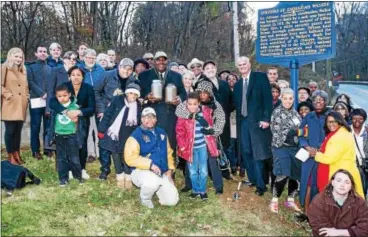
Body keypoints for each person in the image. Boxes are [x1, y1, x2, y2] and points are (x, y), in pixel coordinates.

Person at [232, 56, 273, 196]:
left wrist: (266, 118)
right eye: (240, 65)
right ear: (237, 67)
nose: (242, 66)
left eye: (244, 63)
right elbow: (234, 105)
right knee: (246, 151)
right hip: (243, 122)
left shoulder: (260, 77)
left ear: (249, 64)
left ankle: (261, 186)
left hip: (258, 122)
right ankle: (253, 179)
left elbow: (268, 99)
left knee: (258, 153)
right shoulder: (237, 85)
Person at [176, 80, 226, 194]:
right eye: (200, 92)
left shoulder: (215, 105)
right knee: (190, 160)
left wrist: (214, 131)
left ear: (210, 93)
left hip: (209, 139)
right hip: (192, 137)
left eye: (205, 92)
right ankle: (189, 185)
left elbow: (221, 119)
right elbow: (178, 111)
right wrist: (191, 115)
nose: (203, 95)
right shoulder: (193, 102)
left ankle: (218, 186)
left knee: (213, 162)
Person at [124, 107, 179, 209]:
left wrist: (170, 171)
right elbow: (130, 158)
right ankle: (145, 198)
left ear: (156, 119)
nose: (149, 120)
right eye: (146, 117)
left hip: (161, 172)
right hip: (141, 171)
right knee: (152, 182)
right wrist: (150, 165)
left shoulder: (162, 132)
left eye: (152, 117)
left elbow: (169, 153)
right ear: (141, 119)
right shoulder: (135, 136)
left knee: (172, 201)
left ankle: (158, 187)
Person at [48, 66, 95, 180]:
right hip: (64, 121)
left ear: (83, 76)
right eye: (73, 74)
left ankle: (82, 169)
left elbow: (92, 108)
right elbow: (52, 102)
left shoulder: (88, 88)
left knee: (81, 144)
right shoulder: (65, 86)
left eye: (78, 74)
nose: (76, 77)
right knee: (66, 146)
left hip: (82, 121)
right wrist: (67, 112)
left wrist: (78, 112)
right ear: (69, 76)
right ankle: (68, 170)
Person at [138, 51, 186, 160]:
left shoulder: (176, 76)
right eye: (158, 59)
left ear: (167, 61)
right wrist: (146, 97)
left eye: (164, 59)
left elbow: (183, 92)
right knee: (151, 141)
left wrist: (179, 99)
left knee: (170, 142)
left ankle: (170, 170)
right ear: (154, 61)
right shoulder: (144, 75)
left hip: (170, 114)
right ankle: (152, 167)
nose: (161, 62)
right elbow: (139, 95)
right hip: (151, 114)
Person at [95, 58, 136, 180]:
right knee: (104, 142)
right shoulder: (107, 75)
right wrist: (101, 109)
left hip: (122, 115)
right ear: (119, 67)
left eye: (129, 69)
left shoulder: (132, 80)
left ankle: (123, 166)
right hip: (106, 113)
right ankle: (105, 168)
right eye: (124, 68)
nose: (126, 71)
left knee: (120, 141)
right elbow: (96, 91)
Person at [97, 83, 141, 190]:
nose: (133, 96)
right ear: (126, 93)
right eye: (131, 93)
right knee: (115, 154)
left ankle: (128, 176)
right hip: (114, 133)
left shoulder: (138, 105)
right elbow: (108, 114)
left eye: (135, 95)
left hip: (128, 134)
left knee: (126, 155)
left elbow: (139, 122)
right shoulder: (117, 100)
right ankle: (120, 176)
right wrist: (101, 129)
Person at [314, 111, 364, 197]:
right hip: (344, 172)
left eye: (334, 121)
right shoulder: (341, 133)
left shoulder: (339, 136)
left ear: (340, 121)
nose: (331, 124)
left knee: (343, 203)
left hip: (341, 175)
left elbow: (328, 158)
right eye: (329, 122)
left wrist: (315, 154)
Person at [270, 88, 302, 213]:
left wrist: (300, 132)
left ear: (294, 99)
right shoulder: (277, 112)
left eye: (291, 98)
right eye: (285, 98)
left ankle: (290, 200)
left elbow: (301, 129)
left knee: (295, 174)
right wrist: (294, 132)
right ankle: (274, 200)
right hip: (281, 147)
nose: (288, 101)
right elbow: (277, 132)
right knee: (283, 173)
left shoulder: (295, 113)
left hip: (295, 148)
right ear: (281, 98)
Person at [308, 169, 368, 237]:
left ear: (351, 186)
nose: (342, 185)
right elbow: (321, 230)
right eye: (339, 180)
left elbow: (365, 227)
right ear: (333, 182)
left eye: (347, 182)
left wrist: (341, 232)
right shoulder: (319, 201)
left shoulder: (360, 203)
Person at [299, 90, 330, 213]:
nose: (318, 102)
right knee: (307, 182)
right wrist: (307, 147)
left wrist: (320, 149)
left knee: (321, 185)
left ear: (325, 102)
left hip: (324, 156)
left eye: (321, 100)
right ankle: (306, 212)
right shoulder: (308, 116)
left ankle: (320, 214)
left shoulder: (330, 116)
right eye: (315, 100)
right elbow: (300, 134)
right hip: (308, 156)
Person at [49, 84, 83, 187]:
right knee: (61, 158)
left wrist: (77, 120)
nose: (62, 98)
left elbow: (80, 122)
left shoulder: (75, 106)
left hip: (72, 135)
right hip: (59, 135)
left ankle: (78, 177)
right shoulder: (56, 108)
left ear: (69, 95)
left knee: (74, 158)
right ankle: (63, 179)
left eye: (64, 95)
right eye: (59, 96)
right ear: (56, 97)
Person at [1, 47, 29, 165]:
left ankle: (17, 153)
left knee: (18, 131)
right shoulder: (4, 68)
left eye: (20, 57)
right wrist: (8, 95)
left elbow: (25, 85)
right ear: (10, 56)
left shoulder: (23, 69)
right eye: (16, 56)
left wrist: (27, 96)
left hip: (21, 104)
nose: (18, 59)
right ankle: (10, 155)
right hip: (10, 104)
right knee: (10, 130)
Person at [201, 61, 232, 162]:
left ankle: (225, 166)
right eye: (207, 68)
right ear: (204, 71)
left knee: (225, 143)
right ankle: (215, 168)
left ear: (216, 68)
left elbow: (231, 101)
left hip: (225, 119)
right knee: (213, 144)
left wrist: (226, 112)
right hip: (211, 119)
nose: (210, 70)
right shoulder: (202, 84)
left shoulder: (224, 84)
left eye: (212, 67)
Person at [26, 44, 53, 160]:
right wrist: (42, 93)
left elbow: (52, 84)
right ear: (36, 54)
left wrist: (49, 95)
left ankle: (47, 149)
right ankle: (35, 150)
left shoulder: (50, 68)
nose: (42, 53)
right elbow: (30, 82)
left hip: (48, 102)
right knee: (35, 126)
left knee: (48, 127)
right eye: (40, 51)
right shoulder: (31, 67)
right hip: (36, 100)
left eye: (44, 51)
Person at [78, 49, 105, 163]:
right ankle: (90, 153)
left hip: (98, 102)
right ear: (84, 58)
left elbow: (104, 87)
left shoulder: (100, 69)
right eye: (88, 57)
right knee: (87, 129)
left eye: (93, 58)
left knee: (98, 128)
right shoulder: (79, 68)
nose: (91, 60)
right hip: (85, 102)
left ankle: (100, 153)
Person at [350, 108, 368, 196]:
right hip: (350, 166)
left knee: (362, 192)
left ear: (364, 119)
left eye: (360, 119)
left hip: (364, 168)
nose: (357, 121)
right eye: (354, 118)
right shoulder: (346, 131)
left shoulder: (367, 132)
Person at [226, 73, 239, 175]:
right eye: (229, 79)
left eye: (233, 79)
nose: (231, 80)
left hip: (240, 121)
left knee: (239, 145)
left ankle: (241, 166)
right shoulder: (226, 92)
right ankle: (233, 165)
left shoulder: (240, 91)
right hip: (230, 122)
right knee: (231, 145)